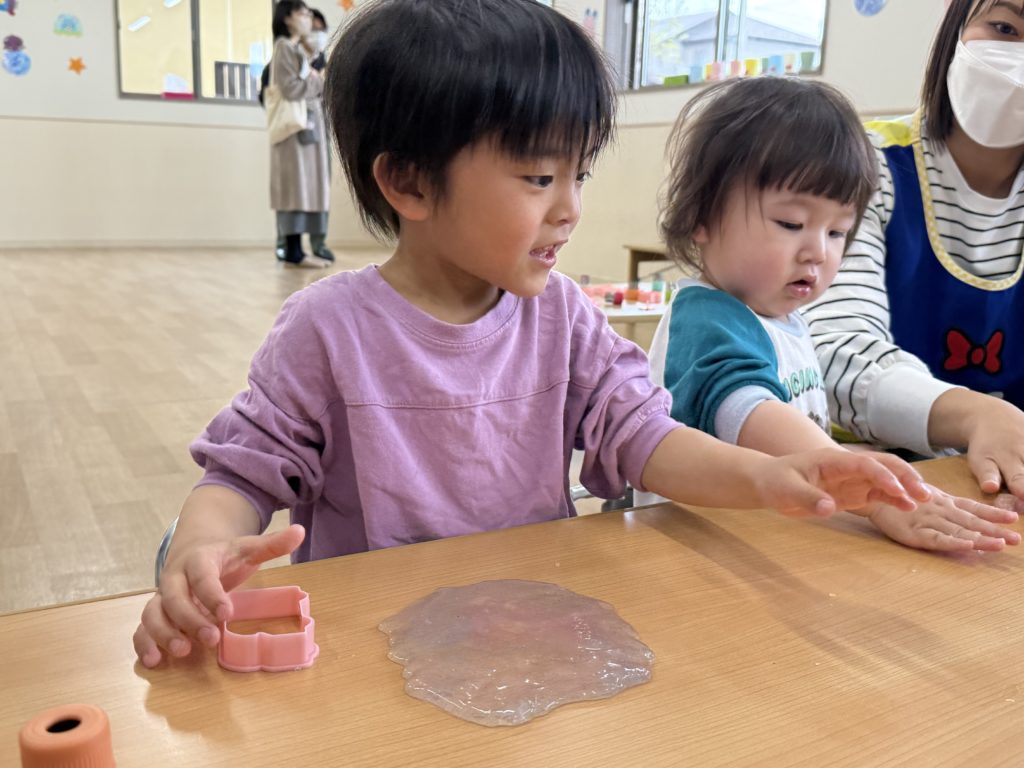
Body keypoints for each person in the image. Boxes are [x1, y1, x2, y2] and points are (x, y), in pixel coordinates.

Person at [133, 0, 933, 668]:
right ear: (408, 181)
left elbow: (645, 437)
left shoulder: (562, 316)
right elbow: (241, 477)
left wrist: (772, 475)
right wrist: (201, 549)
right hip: (372, 644)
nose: (570, 208)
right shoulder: (326, 331)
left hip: (529, 631)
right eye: (540, 177)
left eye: (578, 175)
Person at [642, 76, 1019, 552]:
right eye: (791, 223)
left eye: (838, 232)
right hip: (696, 552)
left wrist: (848, 457)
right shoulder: (707, 317)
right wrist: (861, 487)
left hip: (763, 538)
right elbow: (746, 408)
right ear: (702, 216)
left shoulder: (784, 319)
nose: (818, 252)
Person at [803, 0, 1024, 498]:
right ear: (955, 28)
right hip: (859, 479)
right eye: (1005, 28)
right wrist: (975, 415)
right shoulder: (864, 165)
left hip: (996, 488)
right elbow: (829, 352)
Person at [268, 1, 331, 268]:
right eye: (302, 13)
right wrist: (317, 80)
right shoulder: (284, 47)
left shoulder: (295, 49)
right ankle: (294, 252)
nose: (307, 18)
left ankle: (299, 251)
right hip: (293, 131)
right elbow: (291, 88)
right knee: (295, 188)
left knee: (305, 188)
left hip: (306, 128)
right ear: (287, 18)